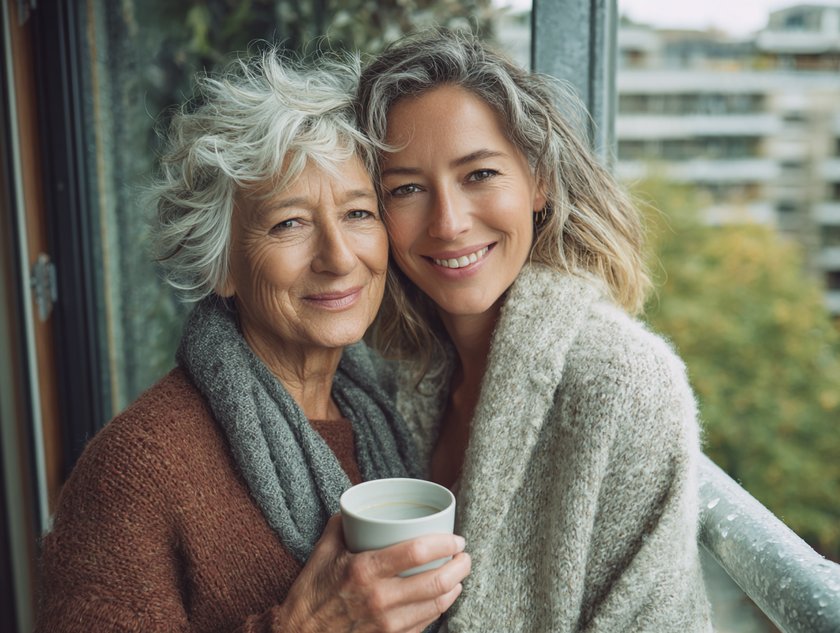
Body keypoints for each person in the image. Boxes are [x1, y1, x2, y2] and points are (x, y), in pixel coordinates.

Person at [35, 49, 470, 633]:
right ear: (222, 266)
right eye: (288, 223)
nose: (339, 258)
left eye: (358, 214)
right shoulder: (136, 471)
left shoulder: (392, 408)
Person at [356, 29, 713, 632]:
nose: (448, 222)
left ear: (538, 180)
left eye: (480, 174)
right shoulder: (391, 376)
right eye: (407, 189)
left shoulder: (624, 382)